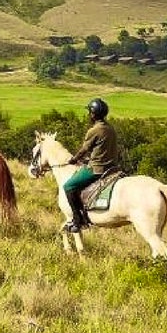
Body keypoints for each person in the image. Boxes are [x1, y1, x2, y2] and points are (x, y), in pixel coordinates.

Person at [62, 97, 120, 233]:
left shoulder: (94, 130)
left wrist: (74, 159)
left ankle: (78, 221)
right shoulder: (110, 128)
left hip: (97, 169)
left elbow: (84, 149)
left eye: (89, 112)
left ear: (93, 114)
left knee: (68, 186)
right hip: (112, 168)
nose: (89, 115)